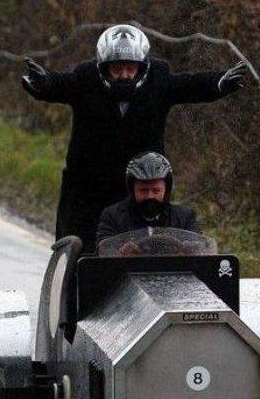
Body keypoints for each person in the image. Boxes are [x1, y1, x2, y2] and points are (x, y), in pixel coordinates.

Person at [21, 24, 247, 249]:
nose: (124, 76)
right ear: (103, 67)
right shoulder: (86, 77)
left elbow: (189, 85)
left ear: (143, 67)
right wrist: (42, 83)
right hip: (86, 187)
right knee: (77, 249)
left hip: (139, 186)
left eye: (131, 69)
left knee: (145, 250)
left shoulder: (159, 77)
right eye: (117, 69)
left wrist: (219, 83)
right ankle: (70, 284)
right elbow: (60, 85)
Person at [95, 152, 198, 250]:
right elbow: (104, 249)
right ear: (132, 190)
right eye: (143, 190)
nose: (150, 196)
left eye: (156, 190)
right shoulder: (113, 217)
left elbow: (197, 250)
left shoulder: (185, 217)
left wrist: (184, 250)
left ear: (166, 190)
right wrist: (121, 251)